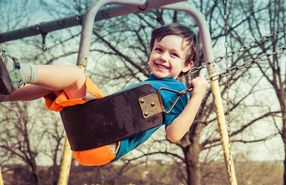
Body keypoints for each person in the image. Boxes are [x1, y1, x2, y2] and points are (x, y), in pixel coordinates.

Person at [0, 23, 208, 166]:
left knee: (74, 75)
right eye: (159, 49)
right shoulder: (153, 86)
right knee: (57, 83)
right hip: (89, 138)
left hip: (107, 144)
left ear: (187, 65)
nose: (163, 57)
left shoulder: (177, 92)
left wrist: (197, 95)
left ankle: (18, 70)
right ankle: (5, 92)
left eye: (174, 54)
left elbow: (174, 135)